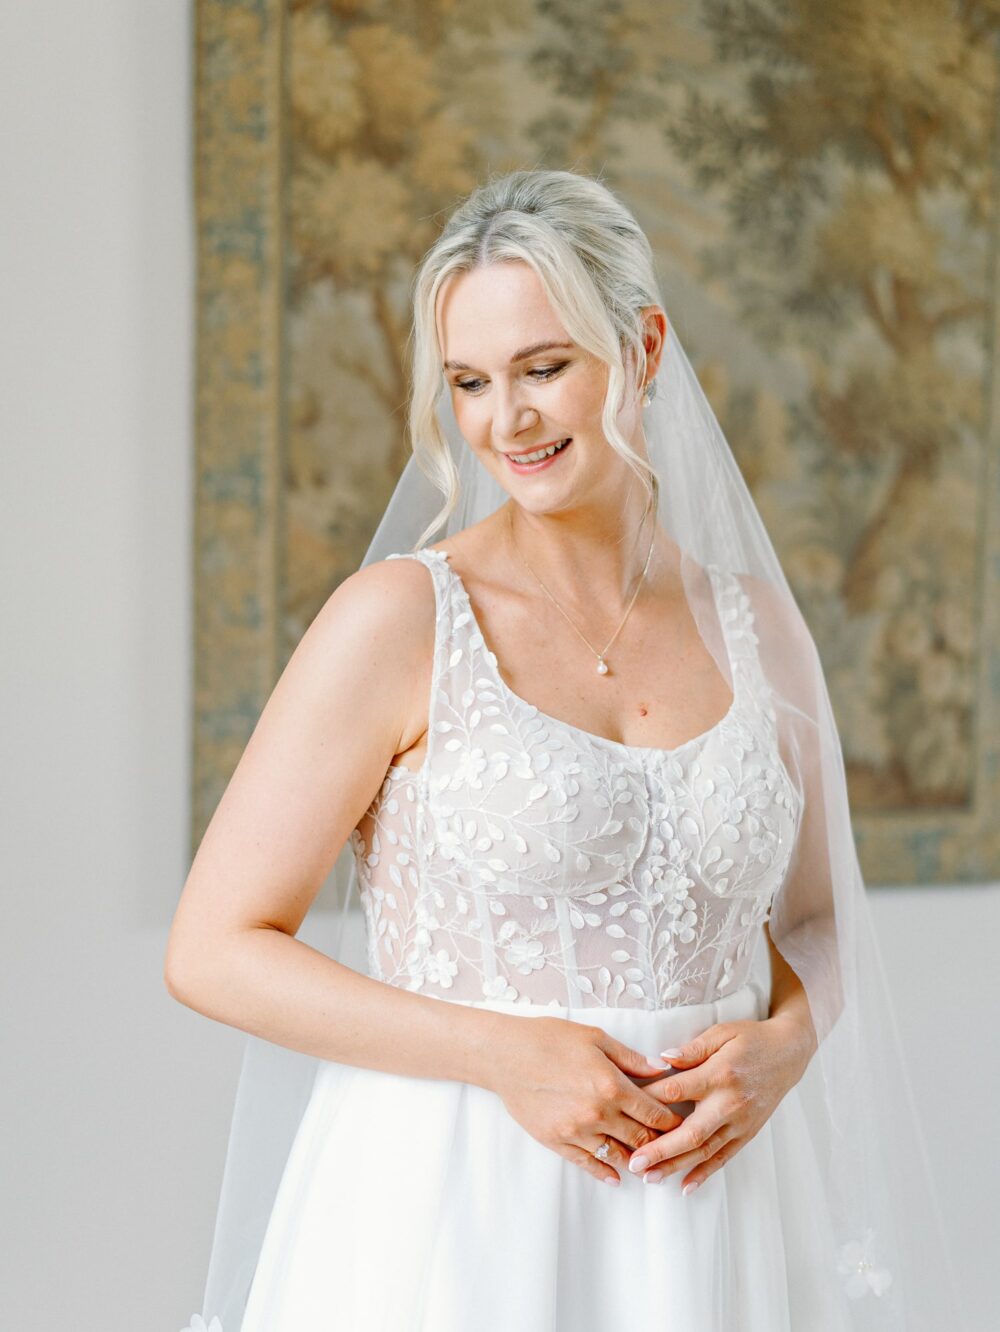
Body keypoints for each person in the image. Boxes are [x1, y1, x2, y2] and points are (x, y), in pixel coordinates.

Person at [167, 168, 965, 1331]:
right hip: (453, 1205)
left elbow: (817, 919)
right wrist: (505, 1055)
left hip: (713, 1210)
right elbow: (214, 949)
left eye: (544, 369)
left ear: (641, 349)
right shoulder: (397, 621)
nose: (506, 420)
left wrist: (789, 1040)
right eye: (470, 383)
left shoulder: (760, 628)